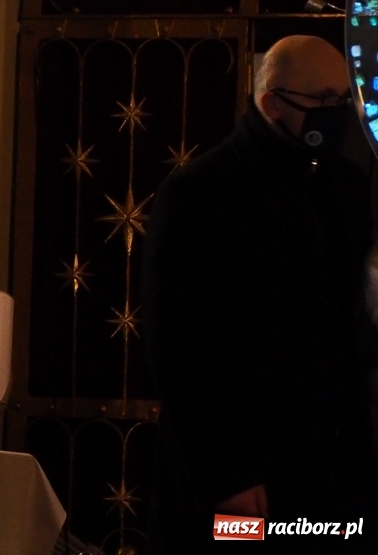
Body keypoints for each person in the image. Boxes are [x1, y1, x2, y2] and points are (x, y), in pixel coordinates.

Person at [143, 35, 377, 551]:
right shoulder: (199, 194)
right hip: (240, 481)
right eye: (324, 99)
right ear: (272, 103)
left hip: (330, 472)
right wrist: (228, 473)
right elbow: (179, 346)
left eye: (345, 99)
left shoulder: (346, 187)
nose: (339, 113)